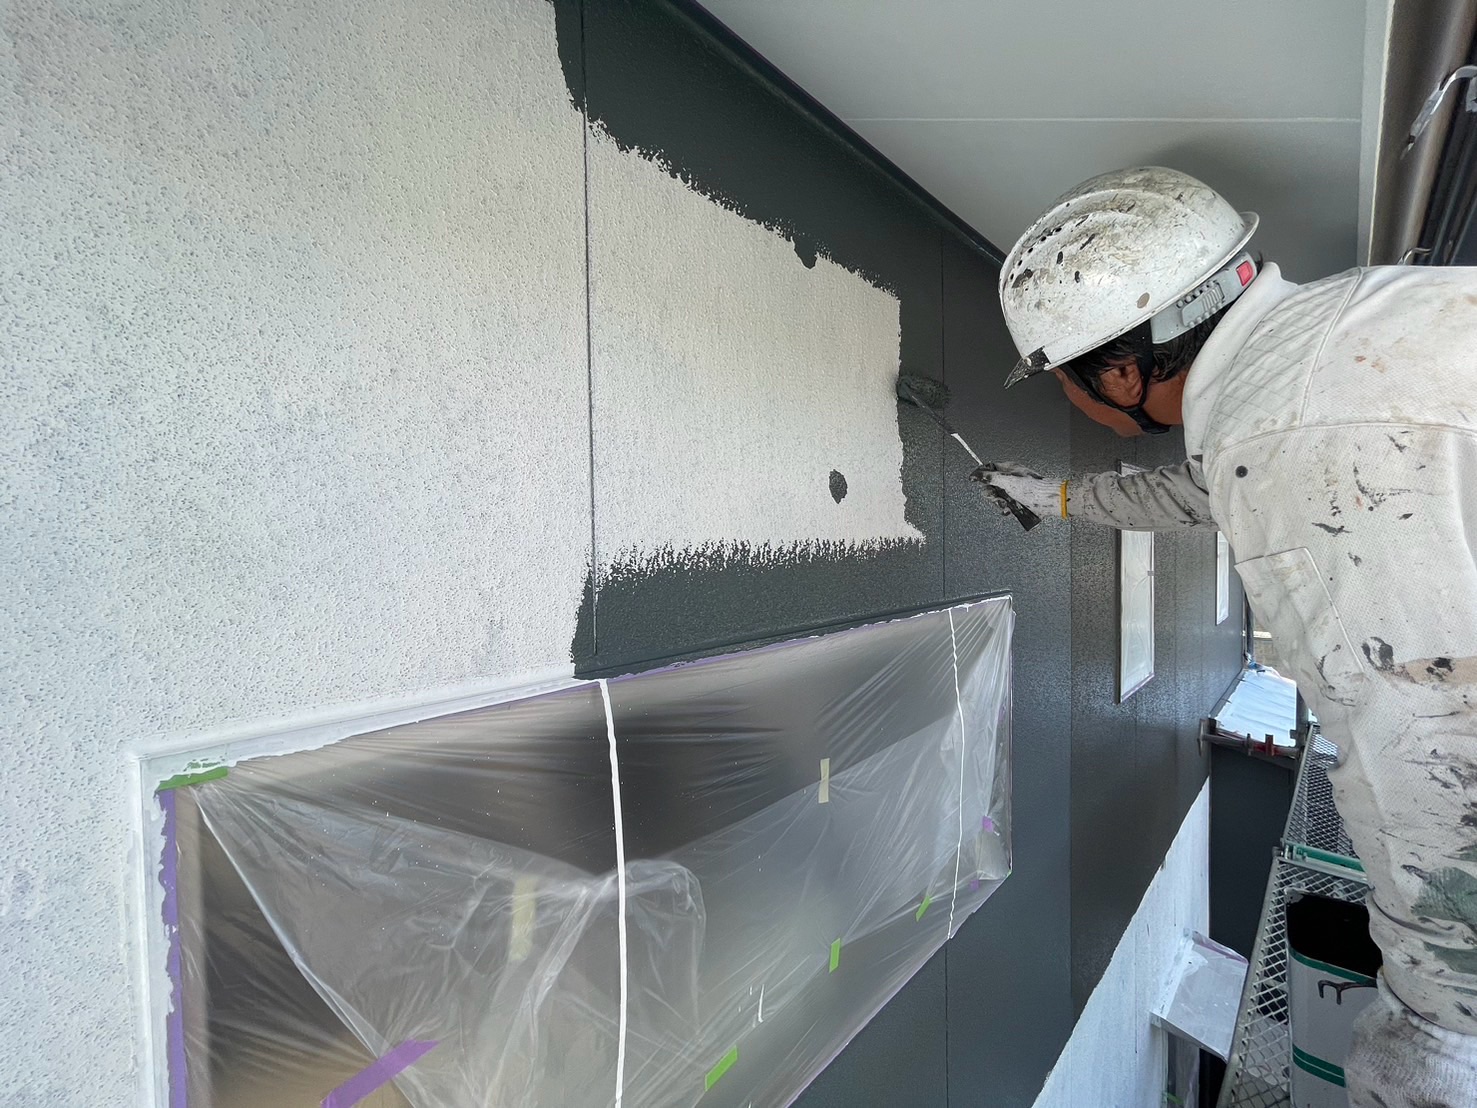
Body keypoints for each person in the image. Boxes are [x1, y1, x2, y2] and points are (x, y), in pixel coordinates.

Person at [977, 166, 1477, 1108]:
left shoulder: (1298, 450)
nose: (1066, 400)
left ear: (1120, 373)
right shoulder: (1342, 328)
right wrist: (1060, 497)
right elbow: (1209, 485)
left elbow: (1433, 749)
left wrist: (1438, 1033)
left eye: (1062, 381)